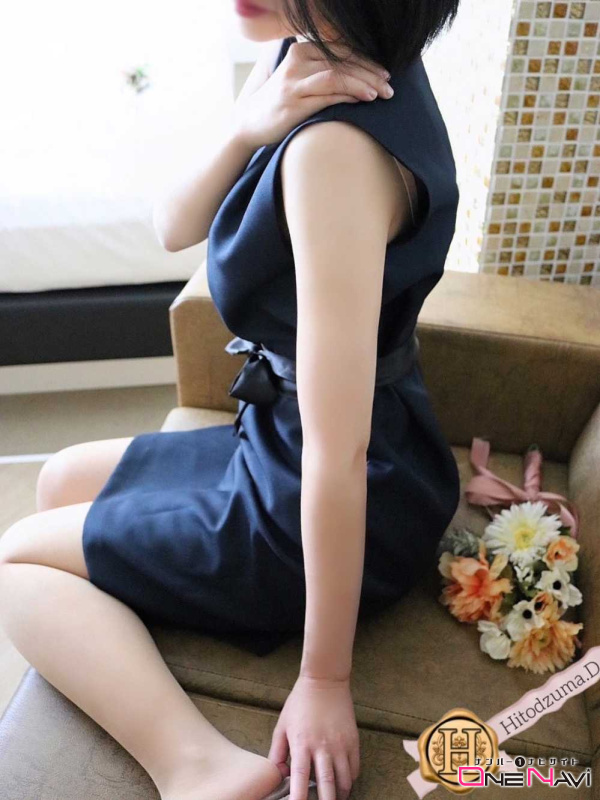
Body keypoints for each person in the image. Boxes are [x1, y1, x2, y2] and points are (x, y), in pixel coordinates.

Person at [0, 1, 461, 800]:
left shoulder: (335, 153)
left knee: (14, 564)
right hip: (296, 443)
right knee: (60, 478)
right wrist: (249, 125)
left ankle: (196, 768)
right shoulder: (314, 54)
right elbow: (171, 224)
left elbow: (338, 450)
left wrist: (324, 679)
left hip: (320, 494)